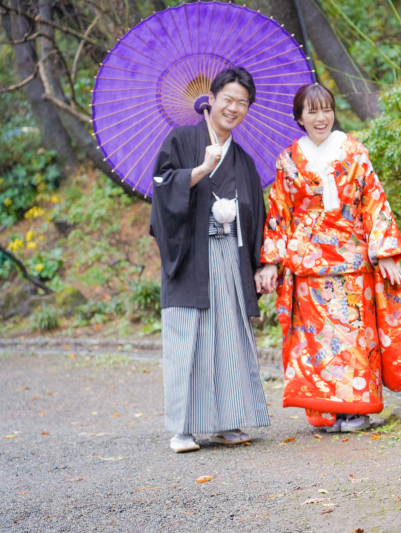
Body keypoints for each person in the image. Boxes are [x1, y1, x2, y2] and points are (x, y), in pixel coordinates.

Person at [255, 83, 401, 431]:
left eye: (326, 108)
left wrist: (386, 252)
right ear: (299, 117)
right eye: (311, 111)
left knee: (355, 335)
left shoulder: (354, 152)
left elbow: (374, 200)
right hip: (307, 264)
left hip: (352, 260)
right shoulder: (288, 159)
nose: (321, 117)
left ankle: (354, 409)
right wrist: (270, 262)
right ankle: (325, 410)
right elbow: (279, 213)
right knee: (314, 341)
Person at [150, 67, 271, 453]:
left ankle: (228, 421)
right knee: (189, 336)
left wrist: (262, 262)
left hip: (231, 257)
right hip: (191, 255)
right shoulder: (182, 141)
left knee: (229, 336)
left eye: (243, 103)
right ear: (212, 99)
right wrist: (201, 169)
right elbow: (162, 190)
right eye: (228, 99)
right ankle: (183, 428)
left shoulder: (245, 161)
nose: (234, 108)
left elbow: (259, 216)